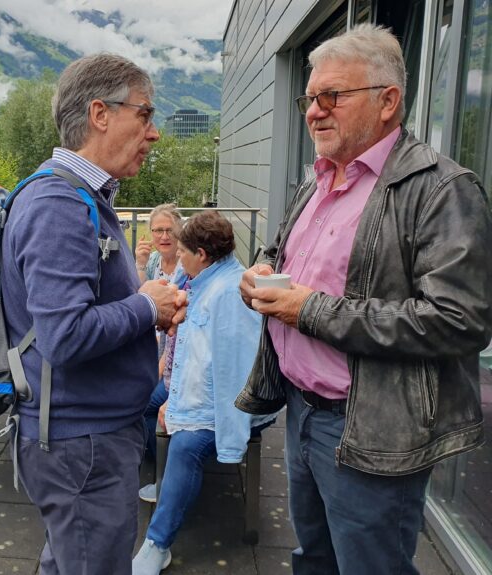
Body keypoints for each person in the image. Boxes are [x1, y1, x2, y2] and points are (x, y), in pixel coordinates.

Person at [236, 25, 492, 575]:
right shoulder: (319, 180)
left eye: (333, 96)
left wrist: (309, 310)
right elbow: (285, 253)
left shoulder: (442, 189)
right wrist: (262, 270)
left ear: (387, 101)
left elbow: (459, 320)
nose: (314, 112)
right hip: (302, 412)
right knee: (314, 559)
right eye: (310, 99)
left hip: (371, 430)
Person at [0, 53, 187, 575]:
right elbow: (65, 336)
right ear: (100, 114)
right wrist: (147, 305)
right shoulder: (59, 203)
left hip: (85, 436)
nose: (153, 133)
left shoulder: (80, 195)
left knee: (69, 560)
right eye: (145, 115)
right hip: (82, 443)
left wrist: (141, 300)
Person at [132, 211, 275, 574]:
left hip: (225, 406)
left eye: (183, 251)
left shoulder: (228, 295)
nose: (177, 257)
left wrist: (176, 404)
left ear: (202, 254)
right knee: (141, 404)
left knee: (186, 446)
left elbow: (234, 375)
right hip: (196, 393)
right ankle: (168, 484)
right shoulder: (202, 278)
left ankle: (158, 544)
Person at [135, 204, 183, 477]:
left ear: (179, 232)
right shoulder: (154, 261)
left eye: (169, 230)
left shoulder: (186, 266)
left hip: (170, 347)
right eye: (158, 230)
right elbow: (139, 295)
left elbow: (177, 332)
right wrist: (141, 264)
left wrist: (158, 369)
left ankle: (162, 466)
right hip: (151, 340)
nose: (164, 236)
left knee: (144, 396)